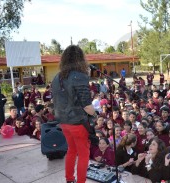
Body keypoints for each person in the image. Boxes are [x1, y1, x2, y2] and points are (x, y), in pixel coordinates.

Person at [51, 45, 97, 183]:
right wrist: (95, 114)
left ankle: (69, 179)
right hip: (77, 122)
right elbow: (87, 106)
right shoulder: (79, 76)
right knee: (84, 154)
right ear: (80, 59)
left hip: (64, 122)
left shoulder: (56, 77)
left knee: (71, 150)